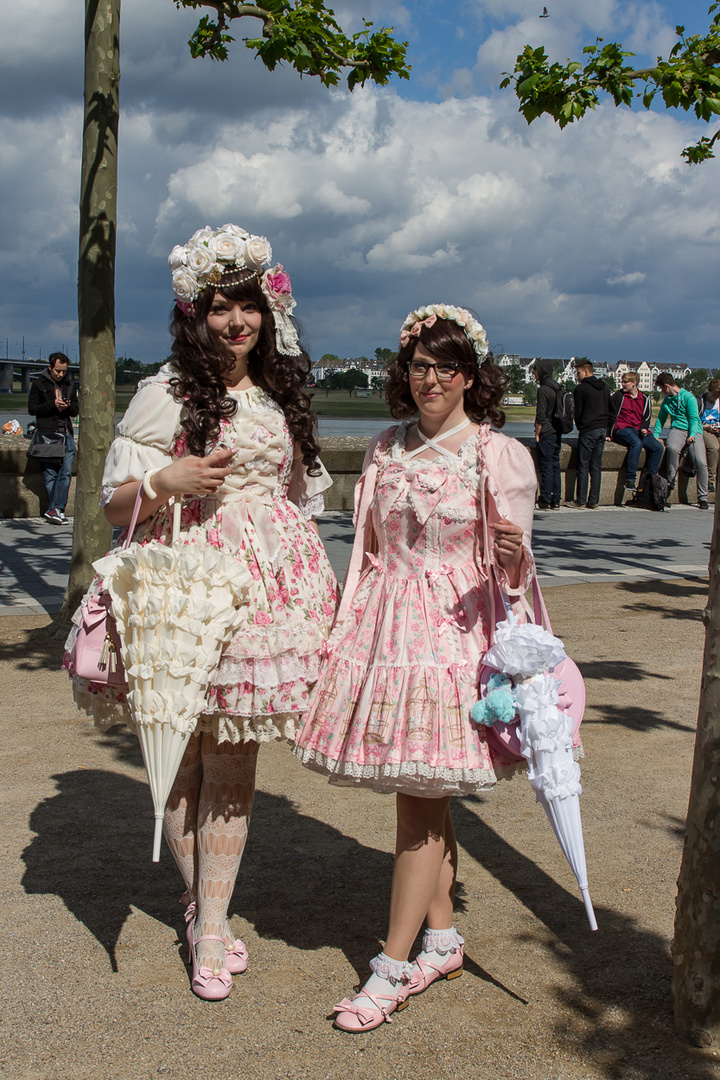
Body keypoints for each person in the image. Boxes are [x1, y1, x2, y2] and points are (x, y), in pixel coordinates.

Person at [65, 224, 338, 999]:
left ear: (268, 311)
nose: (236, 322)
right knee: (177, 752)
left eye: (247, 306)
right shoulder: (169, 392)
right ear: (196, 314)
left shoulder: (282, 393)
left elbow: (295, 498)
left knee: (234, 760)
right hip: (186, 587)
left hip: (267, 592)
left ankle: (211, 924)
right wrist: (166, 479)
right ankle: (200, 905)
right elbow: (113, 501)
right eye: (220, 308)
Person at [294, 303, 538, 1032]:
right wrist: (342, 627)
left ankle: (392, 967)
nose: (430, 378)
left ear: (471, 375)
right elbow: (367, 550)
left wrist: (512, 557)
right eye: (419, 365)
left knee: (419, 800)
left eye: (446, 366)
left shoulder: (497, 453)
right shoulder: (384, 448)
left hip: (454, 638)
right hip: (385, 630)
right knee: (421, 789)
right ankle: (441, 939)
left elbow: (519, 573)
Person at [28, 351, 78, 524]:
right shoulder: (38, 384)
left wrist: (66, 407)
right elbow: (32, 409)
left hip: (65, 434)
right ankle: (55, 510)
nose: (60, 374)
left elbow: (76, 410)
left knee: (65, 472)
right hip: (47, 434)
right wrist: (52, 404)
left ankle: (56, 509)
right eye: (57, 370)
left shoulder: (70, 385)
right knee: (49, 474)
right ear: (50, 367)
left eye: (63, 371)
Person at [653, 373, 709, 509]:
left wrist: (693, 435)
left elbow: (694, 418)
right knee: (672, 448)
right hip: (677, 429)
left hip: (693, 429)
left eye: (661, 389)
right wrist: (655, 434)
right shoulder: (667, 401)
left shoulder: (688, 397)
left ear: (666, 386)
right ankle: (671, 481)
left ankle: (703, 497)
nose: (661, 392)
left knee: (701, 462)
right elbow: (660, 419)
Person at [608, 372, 664, 492]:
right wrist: (608, 434)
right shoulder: (619, 396)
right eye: (622, 381)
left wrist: (644, 428)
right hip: (622, 428)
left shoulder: (644, 398)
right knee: (636, 443)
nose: (622, 384)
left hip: (638, 429)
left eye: (625, 382)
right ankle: (630, 480)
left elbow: (647, 417)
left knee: (658, 448)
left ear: (634, 383)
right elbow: (611, 415)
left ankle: (648, 481)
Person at [571, 360, 610, 509]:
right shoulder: (604, 388)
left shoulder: (581, 389)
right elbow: (610, 408)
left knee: (583, 465)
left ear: (586, 372)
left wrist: (581, 426)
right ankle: (593, 500)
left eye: (578, 372)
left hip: (588, 430)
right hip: (602, 429)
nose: (577, 375)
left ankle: (580, 500)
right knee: (596, 466)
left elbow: (578, 412)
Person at [533, 358, 563, 509]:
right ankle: (556, 499)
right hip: (557, 431)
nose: (534, 373)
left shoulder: (543, 389)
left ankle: (545, 499)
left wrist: (537, 433)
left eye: (535, 370)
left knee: (546, 467)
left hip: (546, 432)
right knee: (555, 466)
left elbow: (541, 415)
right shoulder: (557, 387)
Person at [698, 378, 720, 494]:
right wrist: (707, 428)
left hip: (717, 428)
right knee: (713, 447)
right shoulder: (700, 401)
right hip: (705, 428)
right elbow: (694, 422)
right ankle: (711, 480)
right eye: (714, 394)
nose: (716, 397)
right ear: (709, 390)